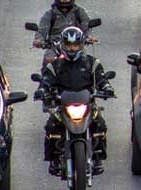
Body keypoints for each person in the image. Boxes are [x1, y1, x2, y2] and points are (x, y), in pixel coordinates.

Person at [36, 27, 114, 176]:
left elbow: (101, 79)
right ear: (63, 46)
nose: (72, 48)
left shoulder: (92, 62)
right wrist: (42, 90)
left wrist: (107, 88)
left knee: (100, 125)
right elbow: (46, 81)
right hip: (62, 106)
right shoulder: (55, 65)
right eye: (69, 45)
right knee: (51, 127)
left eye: (75, 45)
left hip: (87, 104)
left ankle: (98, 157)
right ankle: (53, 160)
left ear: (81, 45)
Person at [33, 0, 96, 65]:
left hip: (76, 47)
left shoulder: (79, 12)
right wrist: (38, 40)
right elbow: (41, 30)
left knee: (87, 63)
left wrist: (89, 37)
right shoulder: (50, 14)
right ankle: (46, 78)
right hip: (55, 47)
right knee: (48, 59)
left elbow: (87, 26)